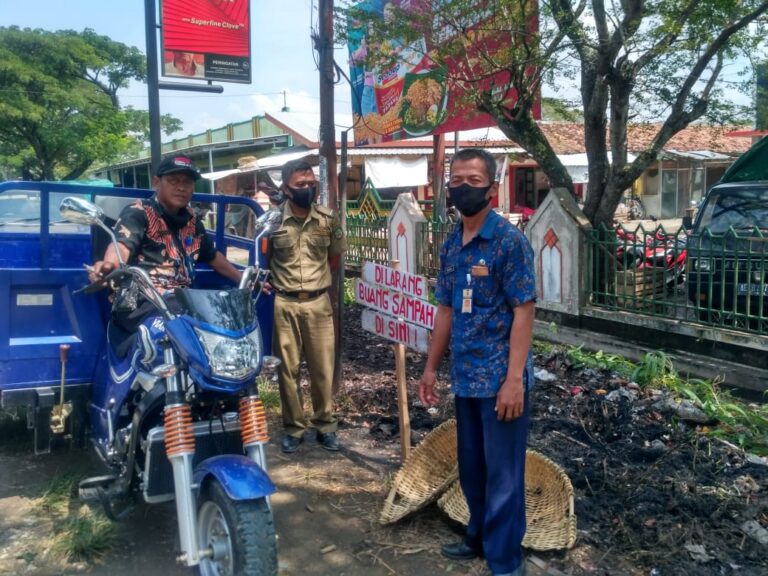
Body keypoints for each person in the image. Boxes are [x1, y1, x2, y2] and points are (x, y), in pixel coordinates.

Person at [417, 148, 536, 576]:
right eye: (457, 180)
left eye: (474, 181)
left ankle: (505, 560)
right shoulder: (452, 245)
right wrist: (431, 368)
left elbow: (524, 312)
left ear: (491, 187)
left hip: (501, 380)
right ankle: (478, 536)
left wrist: (515, 380)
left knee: (504, 475)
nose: (464, 188)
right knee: (472, 467)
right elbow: (445, 311)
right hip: (466, 376)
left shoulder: (508, 241)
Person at [89, 155, 242, 343]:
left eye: (187, 182)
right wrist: (109, 265)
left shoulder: (192, 221)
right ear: (156, 183)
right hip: (141, 301)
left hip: (183, 301)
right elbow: (122, 244)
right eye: (173, 181)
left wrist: (243, 279)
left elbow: (212, 256)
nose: (181, 187)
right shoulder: (138, 212)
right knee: (172, 333)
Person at [265, 159, 346, 453]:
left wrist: (317, 284)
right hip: (283, 303)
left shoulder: (327, 220)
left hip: (318, 303)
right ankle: (294, 429)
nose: (308, 189)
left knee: (322, 368)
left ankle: (325, 425)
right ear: (286, 189)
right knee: (288, 370)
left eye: (311, 184)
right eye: (301, 185)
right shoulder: (272, 222)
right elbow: (263, 259)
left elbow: (334, 260)